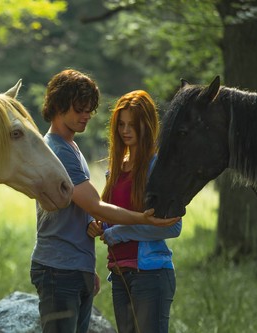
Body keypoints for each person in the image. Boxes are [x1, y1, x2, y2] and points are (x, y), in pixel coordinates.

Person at [30, 69, 180, 333]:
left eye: (90, 110)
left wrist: (100, 236)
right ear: (59, 106)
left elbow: (170, 225)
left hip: (134, 272)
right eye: (80, 109)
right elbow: (97, 207)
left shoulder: (75, 149)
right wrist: (112, 224)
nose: (86, 115)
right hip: (75, 270)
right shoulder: (63, 153)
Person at [89, 90, 182, 333]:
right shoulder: (115, 170)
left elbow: (173, 225)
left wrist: (120, 233)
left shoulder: (157, 168)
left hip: (150, 275)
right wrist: (98, 225)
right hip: (119, 275)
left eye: (133, 124)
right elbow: (111, 216)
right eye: (121, 124)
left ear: (147, 124)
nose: (125, 130)